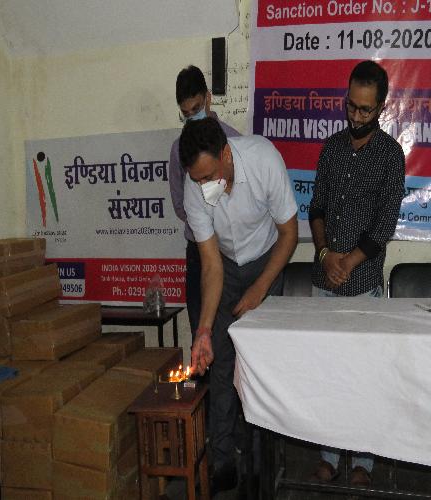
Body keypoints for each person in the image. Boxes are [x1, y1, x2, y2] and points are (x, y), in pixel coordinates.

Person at [179, 117, 298, 495]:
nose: (204, 186)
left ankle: (263, 463)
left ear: (226, 155)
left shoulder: (264, 159)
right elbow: (211, 265)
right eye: (197, 180)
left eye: (208, 176)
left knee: (262, 365)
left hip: (267, 261)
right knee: (219, 361)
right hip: (226, 268)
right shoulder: (194, 186)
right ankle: (224, 462)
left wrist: (260, 289)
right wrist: (203, 330)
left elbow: (289, 234)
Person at [308, 60, 405, 487]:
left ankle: (364, 461)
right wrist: (325, 253)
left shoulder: (391, 155)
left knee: (364, 377)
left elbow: (383, 227)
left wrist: (347, 262)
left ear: (381, 107)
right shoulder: (330, 149)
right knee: (327, 375)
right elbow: (316, 209)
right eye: (351, 106)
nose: (356, 116)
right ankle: (328, 456)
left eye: (365, 109)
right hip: (323, 280)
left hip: (363, 285)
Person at [169, 65, 240, 337]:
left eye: (197, 109)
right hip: (198, 250)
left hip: (230, 247)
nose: (192, 117)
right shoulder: (178, 149)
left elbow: (241, 195)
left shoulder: (233, 140)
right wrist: (202, 224)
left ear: (208, 99)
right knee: (201, 327)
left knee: (232, 328)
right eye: (185, 113)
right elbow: (180, 204)